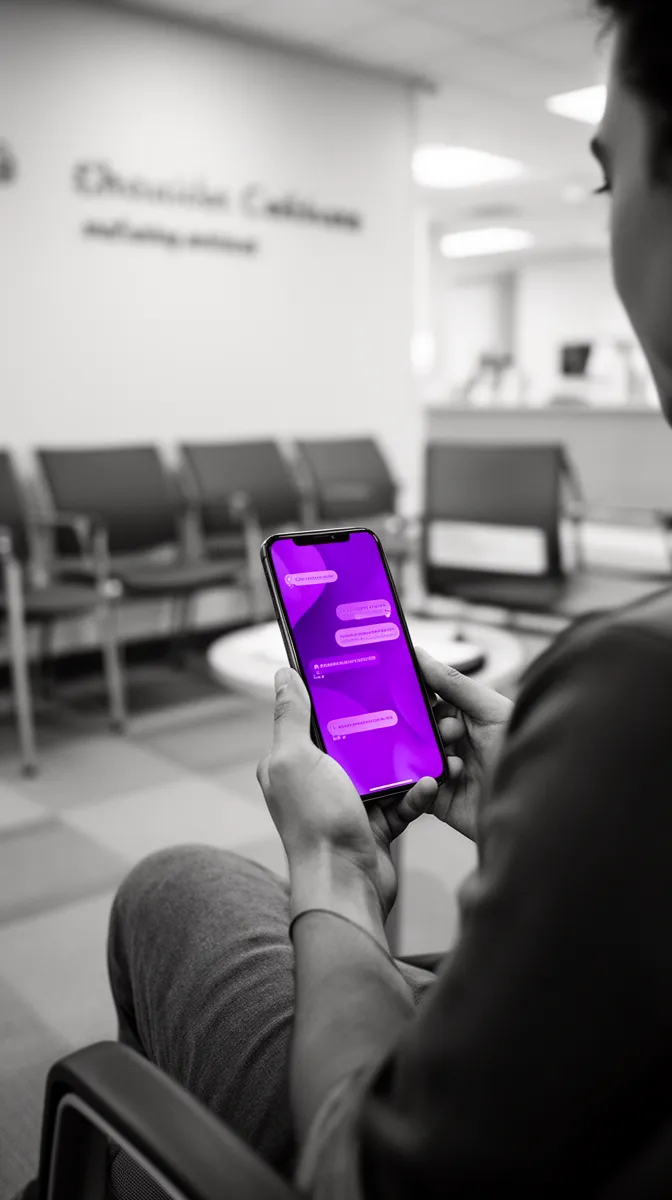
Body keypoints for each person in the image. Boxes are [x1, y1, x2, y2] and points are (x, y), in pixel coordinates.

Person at [66, 2, 672, 1197]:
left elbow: (360, 1174)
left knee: (171, 887)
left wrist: (336, 870)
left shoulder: (636, 689)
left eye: (612, 181)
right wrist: (540, 828)